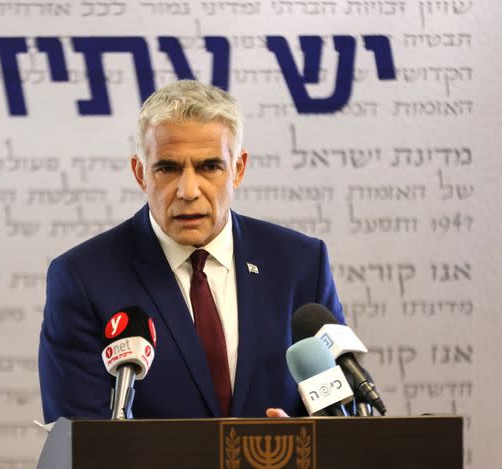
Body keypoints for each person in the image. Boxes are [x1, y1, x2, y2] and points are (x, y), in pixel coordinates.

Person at [38, 80, 345, 421]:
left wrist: (306, 446)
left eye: (209, 167)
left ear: (238, 169)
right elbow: (79, 439)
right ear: (141, 174)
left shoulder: (300, 264)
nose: (188, 190)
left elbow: (340, 415)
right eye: (167, 168)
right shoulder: (83, 278)